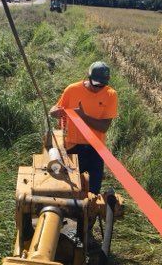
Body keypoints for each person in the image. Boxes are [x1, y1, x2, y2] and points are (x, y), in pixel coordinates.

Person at [50, 61, 118, 194]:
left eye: (102, 85)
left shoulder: (111, 95)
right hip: (73, 146)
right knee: (71, 189)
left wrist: (83, 116)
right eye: (96, 84)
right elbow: (55, 109)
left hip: (96, 148)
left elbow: (104, 127)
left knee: (93, 193)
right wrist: (55, 112)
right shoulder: (72, 90)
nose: (98, 88)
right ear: (88, 77)